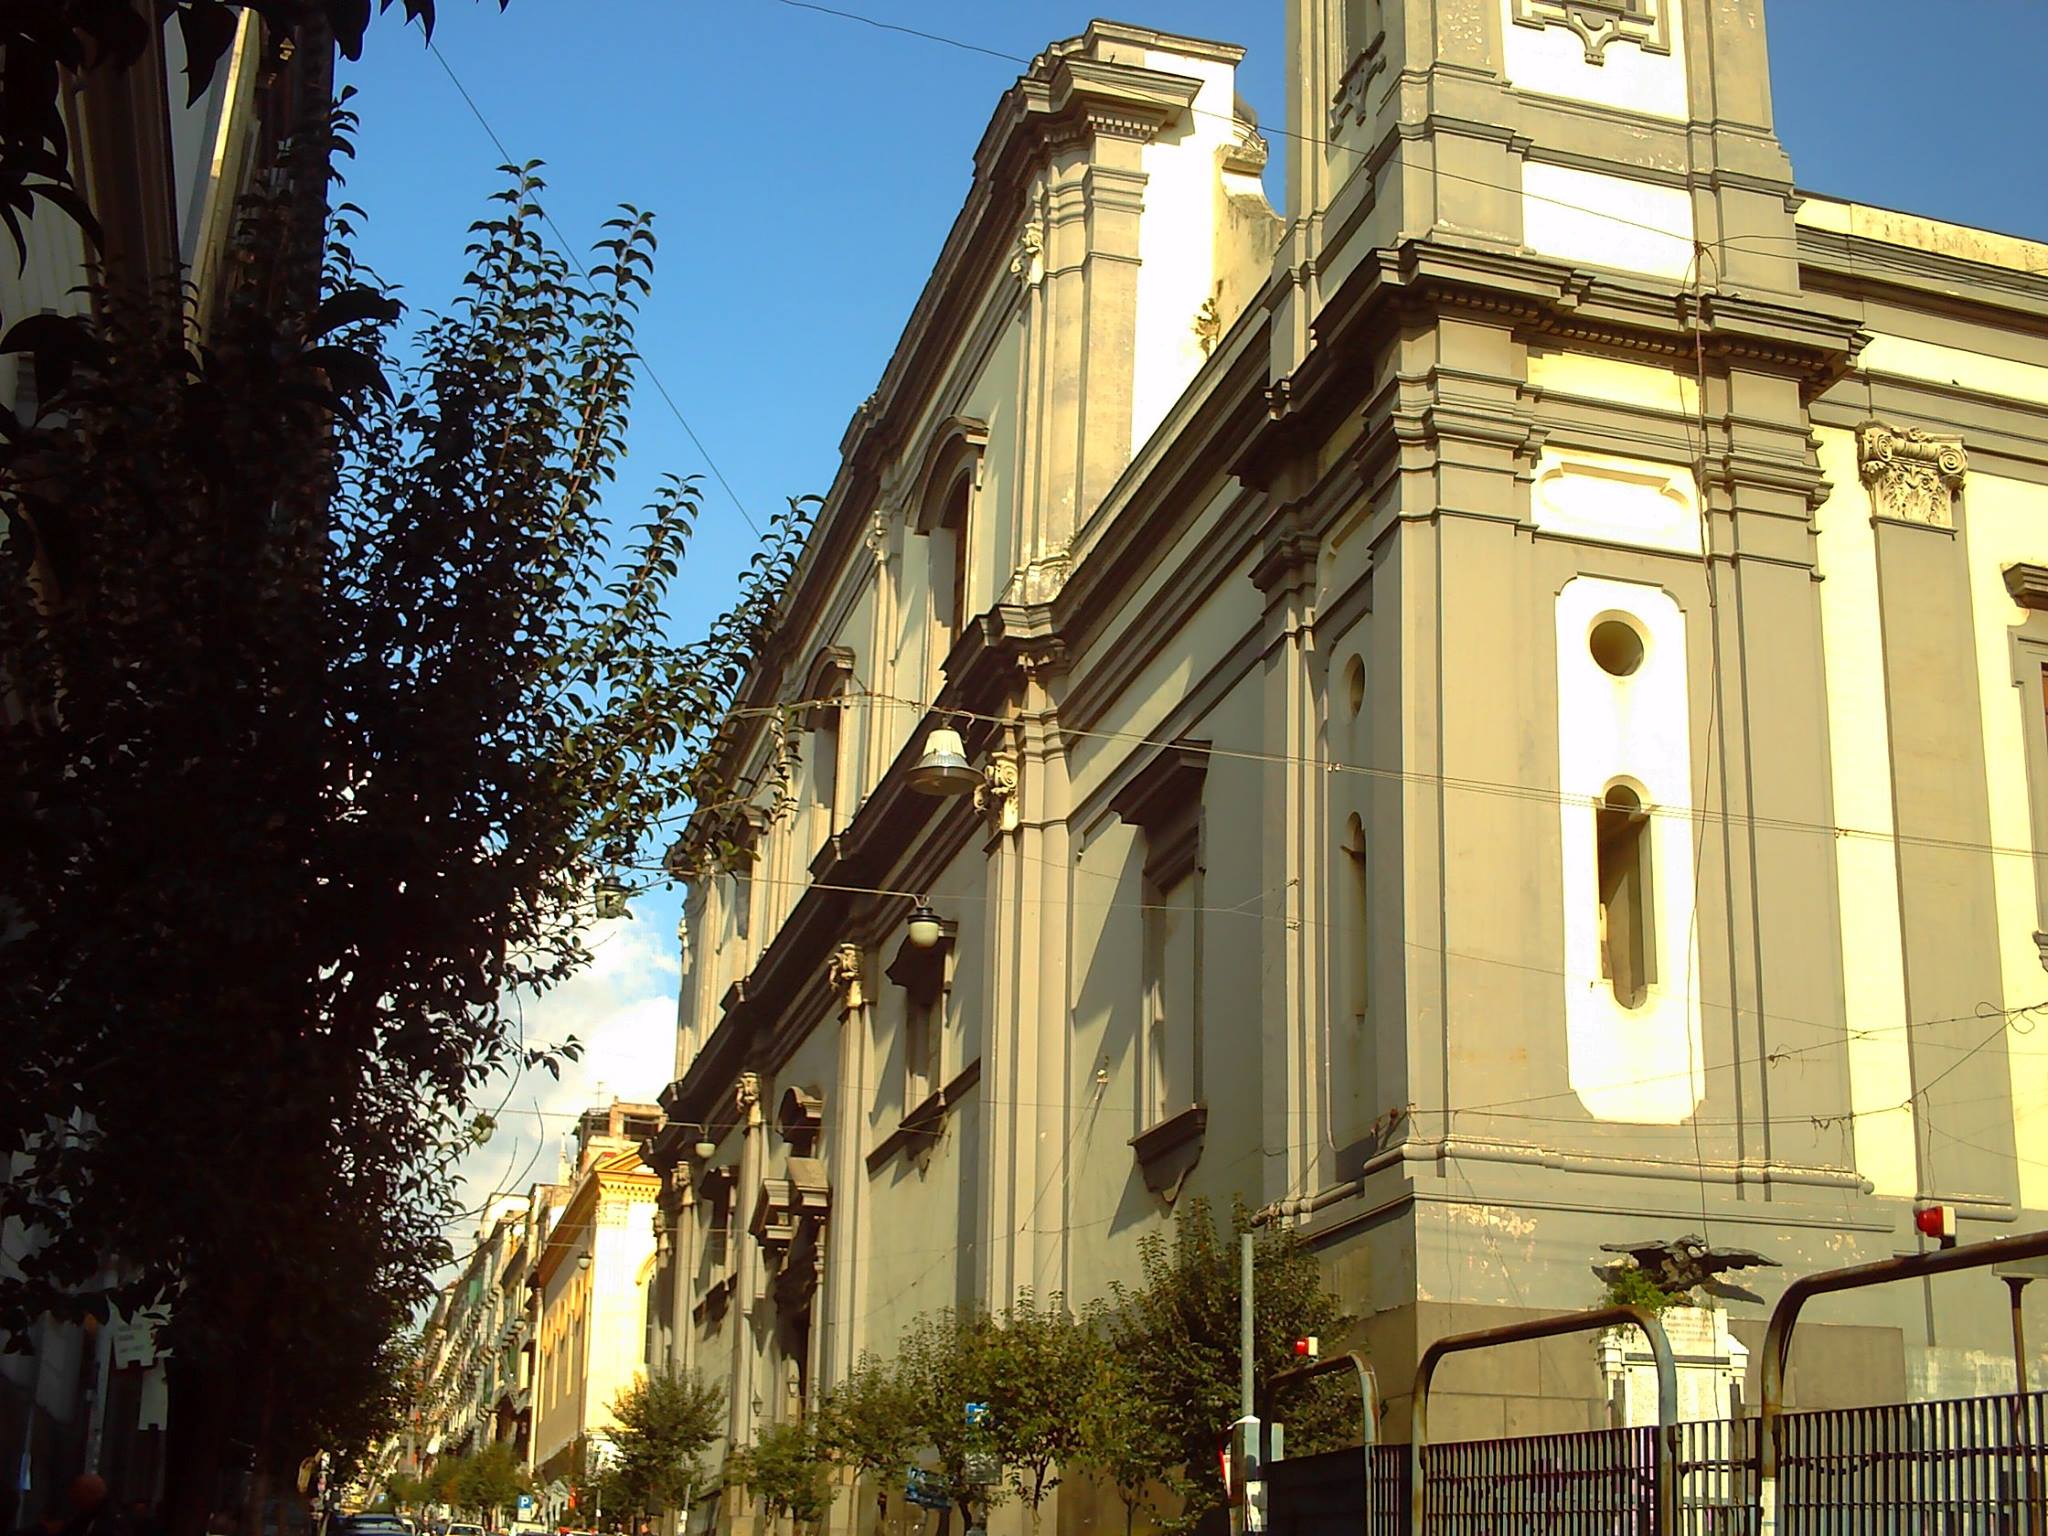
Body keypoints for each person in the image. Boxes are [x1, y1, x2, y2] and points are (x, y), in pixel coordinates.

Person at [60, 1477, 125, 1536]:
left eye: (78, 1498)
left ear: (92, 1493)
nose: (74, 1503)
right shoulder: (88, 1512)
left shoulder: (109, 1518)